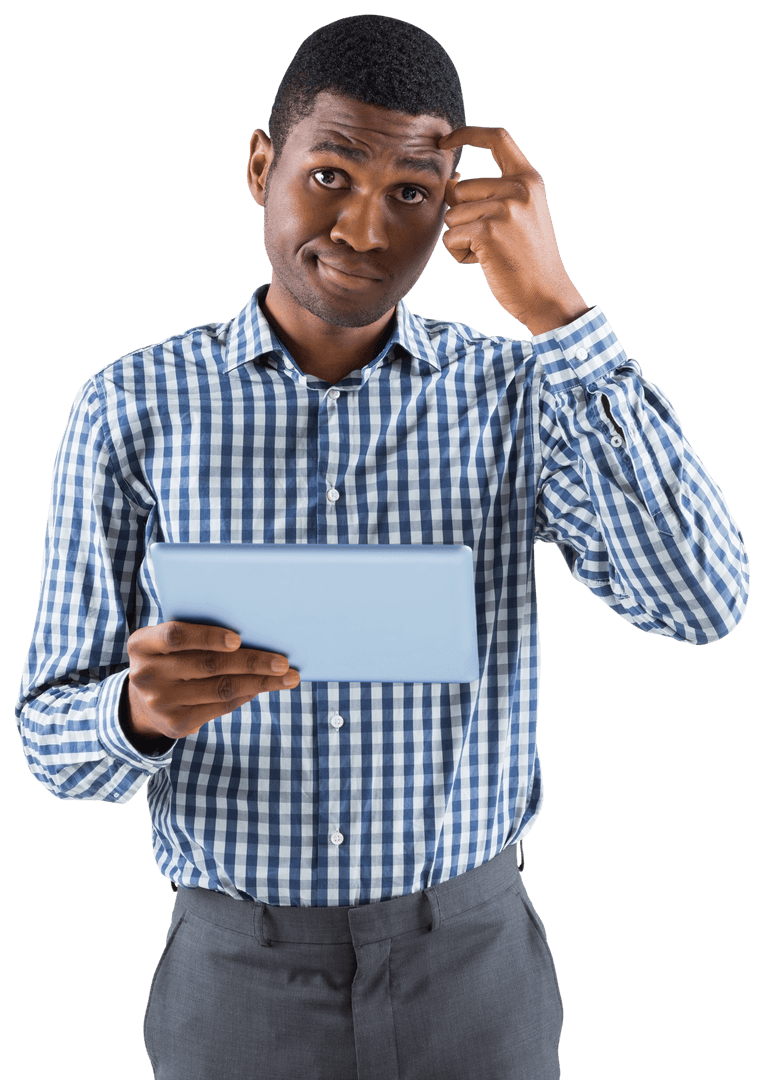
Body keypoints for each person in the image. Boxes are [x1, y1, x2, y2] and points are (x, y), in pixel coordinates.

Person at [15, 13, 748, 1080]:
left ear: (453, 205)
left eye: (410, 191)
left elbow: (702, 600)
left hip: (474, 964)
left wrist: (557, 313)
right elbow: (48, 744)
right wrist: (136, 712)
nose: (364, 229)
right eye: (328, 176)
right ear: (262, 164)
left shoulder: (520, 393)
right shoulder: (128, 407)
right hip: (234, 976)